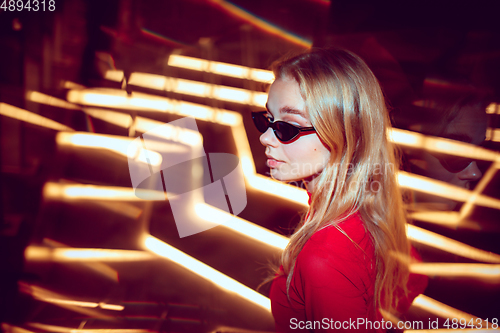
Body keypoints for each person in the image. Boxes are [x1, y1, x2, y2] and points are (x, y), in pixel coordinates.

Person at [252, 48, 426, 332]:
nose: (264, 137)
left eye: (287, 126)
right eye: (267, 119)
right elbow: (411, 272)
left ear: (344, 134)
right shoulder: (366, 206)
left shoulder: (324, 257)